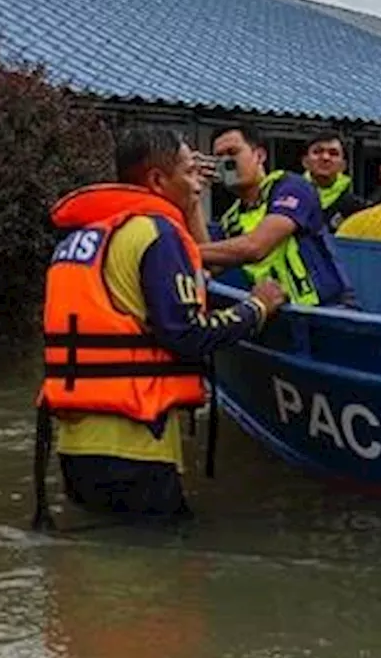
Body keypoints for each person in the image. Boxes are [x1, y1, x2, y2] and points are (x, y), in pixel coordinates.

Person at [32, 127, 286, 526]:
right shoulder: (157, 234)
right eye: (188, 172)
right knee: (159, 575)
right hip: (136, 445)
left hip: (74, 442)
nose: (196, 185)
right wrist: (257, 307)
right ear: (156, 181)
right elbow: (188, 334)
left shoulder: (83, 237)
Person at [196, 124, 356, 306]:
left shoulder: (292, 187)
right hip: (280, 314)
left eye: (233, 153)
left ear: (260, 156)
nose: (227, 163)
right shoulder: (232, 218)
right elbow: (211, 262)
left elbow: (255, 247)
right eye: (219, 157)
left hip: (328, 311)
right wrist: (191, 196)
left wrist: (184, 250)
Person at [301, 129, 365, 232]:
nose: (325, 157)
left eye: (333, 153)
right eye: (318, 152)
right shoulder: (289, 197)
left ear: (343, 165)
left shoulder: (356, 208)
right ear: (305, 162)